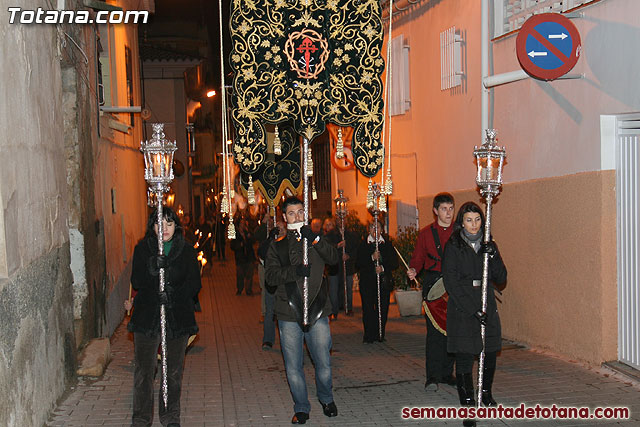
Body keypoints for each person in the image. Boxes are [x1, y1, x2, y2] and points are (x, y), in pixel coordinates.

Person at [264, 197, 340, 424]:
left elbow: (334, 259)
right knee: (293, 366)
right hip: (289, 312)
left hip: (317, 310)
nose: (297, 216)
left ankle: (326, 398)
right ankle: (301, 406)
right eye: (291, 213)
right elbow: (271, 277)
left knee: (323, 362)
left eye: (300, 212)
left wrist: (316, 239)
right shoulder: (278, 246)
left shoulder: (316, 240)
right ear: (284, 217)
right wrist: (294, 271)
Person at [128, 207, 201, 427]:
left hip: (176, 317)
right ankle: (141, 418)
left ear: (176, 227)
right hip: (147, 317)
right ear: (153, 226)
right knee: (144, 371)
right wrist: (152, 267)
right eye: (160, 223)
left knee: (173, 372)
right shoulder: (142, 249)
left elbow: (194, 284)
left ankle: (170, 417)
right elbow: (137, 281)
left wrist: (173, 294)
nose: (165, 229)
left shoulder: (186, 251)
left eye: (170, 224)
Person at [442, 201, 507, 411]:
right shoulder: (454, 245)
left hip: (486, 303)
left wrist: (493, 255)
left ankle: (486, 393)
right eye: (469, 220)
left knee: (489, 351)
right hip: (463, 308)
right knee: (465, 355)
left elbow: (501, 277)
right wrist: (472, 309)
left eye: (478, 220)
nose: (474, 225)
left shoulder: (489, 244)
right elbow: (451, 282)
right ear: (461, 222)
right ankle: (468, 401)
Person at [407, 192, 456, 391]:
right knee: (435, 334)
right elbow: (418, 257)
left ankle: (447, 373)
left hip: (453, 286)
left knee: (452, 332)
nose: (448, 213)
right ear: (435, 211)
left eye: (451, 208)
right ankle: (433, 376)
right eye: (444, 209)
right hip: (433, 285)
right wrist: (413, 269)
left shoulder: (459, 232)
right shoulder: (426, 234)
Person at [356, 219, 398, 343]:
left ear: (382, 229)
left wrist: (383, 267)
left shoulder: (387, 244)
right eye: (373, 228)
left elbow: (394, 262)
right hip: (367, 282)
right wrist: (371, 258)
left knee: (383, 308)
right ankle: (369, 335)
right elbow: (358, 263)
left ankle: (380, 333)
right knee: (368, 308)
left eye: (378, 227)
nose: (376, 230)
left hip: (383, 282)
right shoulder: (364, 244)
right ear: (369, 230)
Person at [257, 219, 287, 349]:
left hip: (285, 283)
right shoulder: (270, 243)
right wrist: (270, 238)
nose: (280, 231)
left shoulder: (289, 242)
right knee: (270, 311)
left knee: (285, 313)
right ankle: (268, 339)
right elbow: (262, 253)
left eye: (282, 229)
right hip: (272, 283)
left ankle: (287, 340)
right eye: (277, 229)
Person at [230, 217, 257, 295]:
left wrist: (249, 236)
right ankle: (240, 289)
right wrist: (239, 245)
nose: (242, 226)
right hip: (240, 258)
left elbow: (254, 240)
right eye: (241, 224)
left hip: (249, 257)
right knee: (240, 275)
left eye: (243, 224)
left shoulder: (247, 233)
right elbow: (232, 246)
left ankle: (248, 290)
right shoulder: (235, 235)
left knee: (249, 274)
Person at [322, 217, 342, 320]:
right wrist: (337, 246)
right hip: (330, 267)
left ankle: (336, 309)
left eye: (331, 224)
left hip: (337, 266)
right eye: (327, 225)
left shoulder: (337, 235)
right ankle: (332, 311)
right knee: (331, 290)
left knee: (336, 290)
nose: (329, 227)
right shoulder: (325, 237)